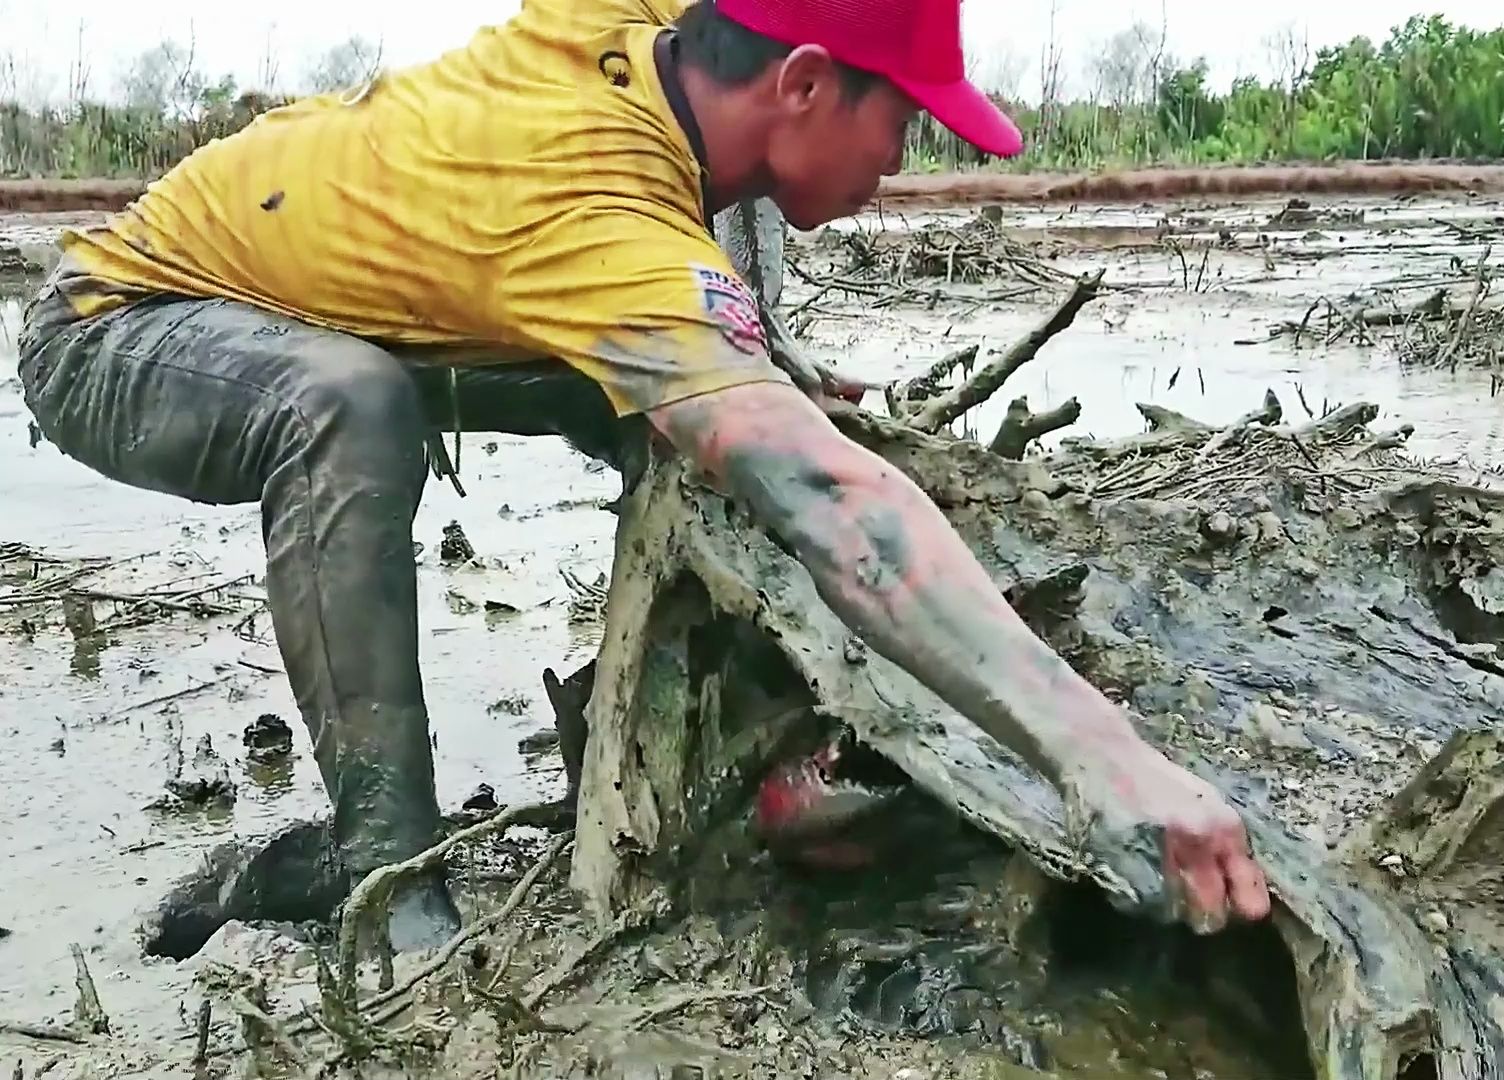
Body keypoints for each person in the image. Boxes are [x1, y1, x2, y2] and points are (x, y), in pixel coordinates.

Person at [17, 0, 1271, 954]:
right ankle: (387, 877)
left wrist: (757, 370)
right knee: (356, 408)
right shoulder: (604, 219)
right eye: (905, 117)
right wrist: (1107, 761)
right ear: (803, 84)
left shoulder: (657, 31)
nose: (910, 151)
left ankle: (761, 760)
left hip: (333, 298)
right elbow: (834, 510)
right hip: (120, 322)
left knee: (700, 409)